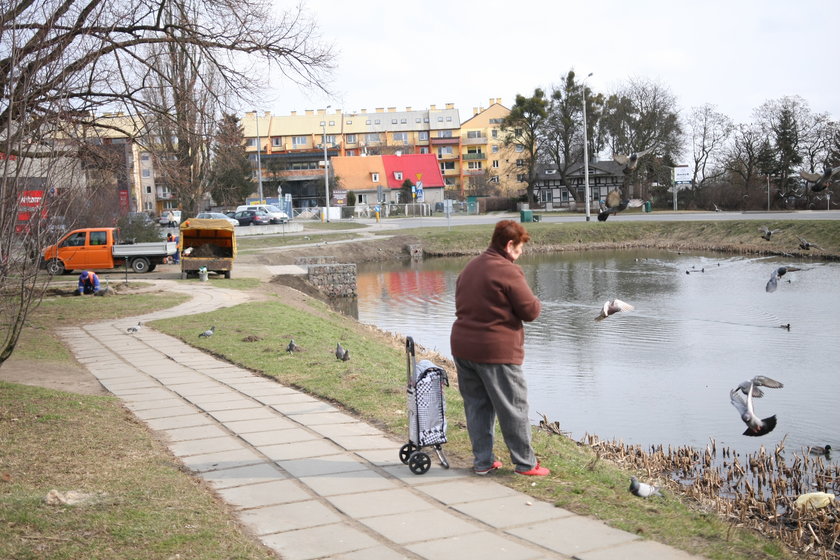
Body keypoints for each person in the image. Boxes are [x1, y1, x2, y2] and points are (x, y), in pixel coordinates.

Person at [449, 220, 549, 477]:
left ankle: (483, 461)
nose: (521, 252)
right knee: (513, 406)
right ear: (508, 245)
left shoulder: (471, 266)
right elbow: (531, 311)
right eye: (520, 247)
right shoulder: (507, 270)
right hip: (495, 351)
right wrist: (535, 297)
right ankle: (525, 464)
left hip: (463, 347)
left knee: (476, 406)